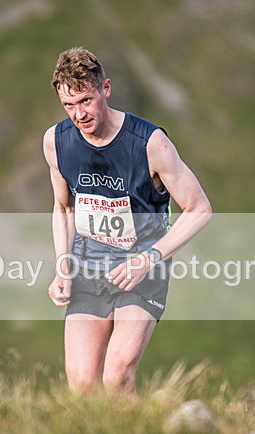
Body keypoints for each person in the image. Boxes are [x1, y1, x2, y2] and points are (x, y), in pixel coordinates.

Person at [44, 47, 211, 394]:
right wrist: (63, 267)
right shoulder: (56, 142)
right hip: (89, 268)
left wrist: (148, 259)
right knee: (81, 384)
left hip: (142, 269)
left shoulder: (151, 143)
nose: (79, 114)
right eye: (69, 105)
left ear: (105, 88)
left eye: (86, 100)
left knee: (117, 375)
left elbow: (199, 209)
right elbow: (64, 208)